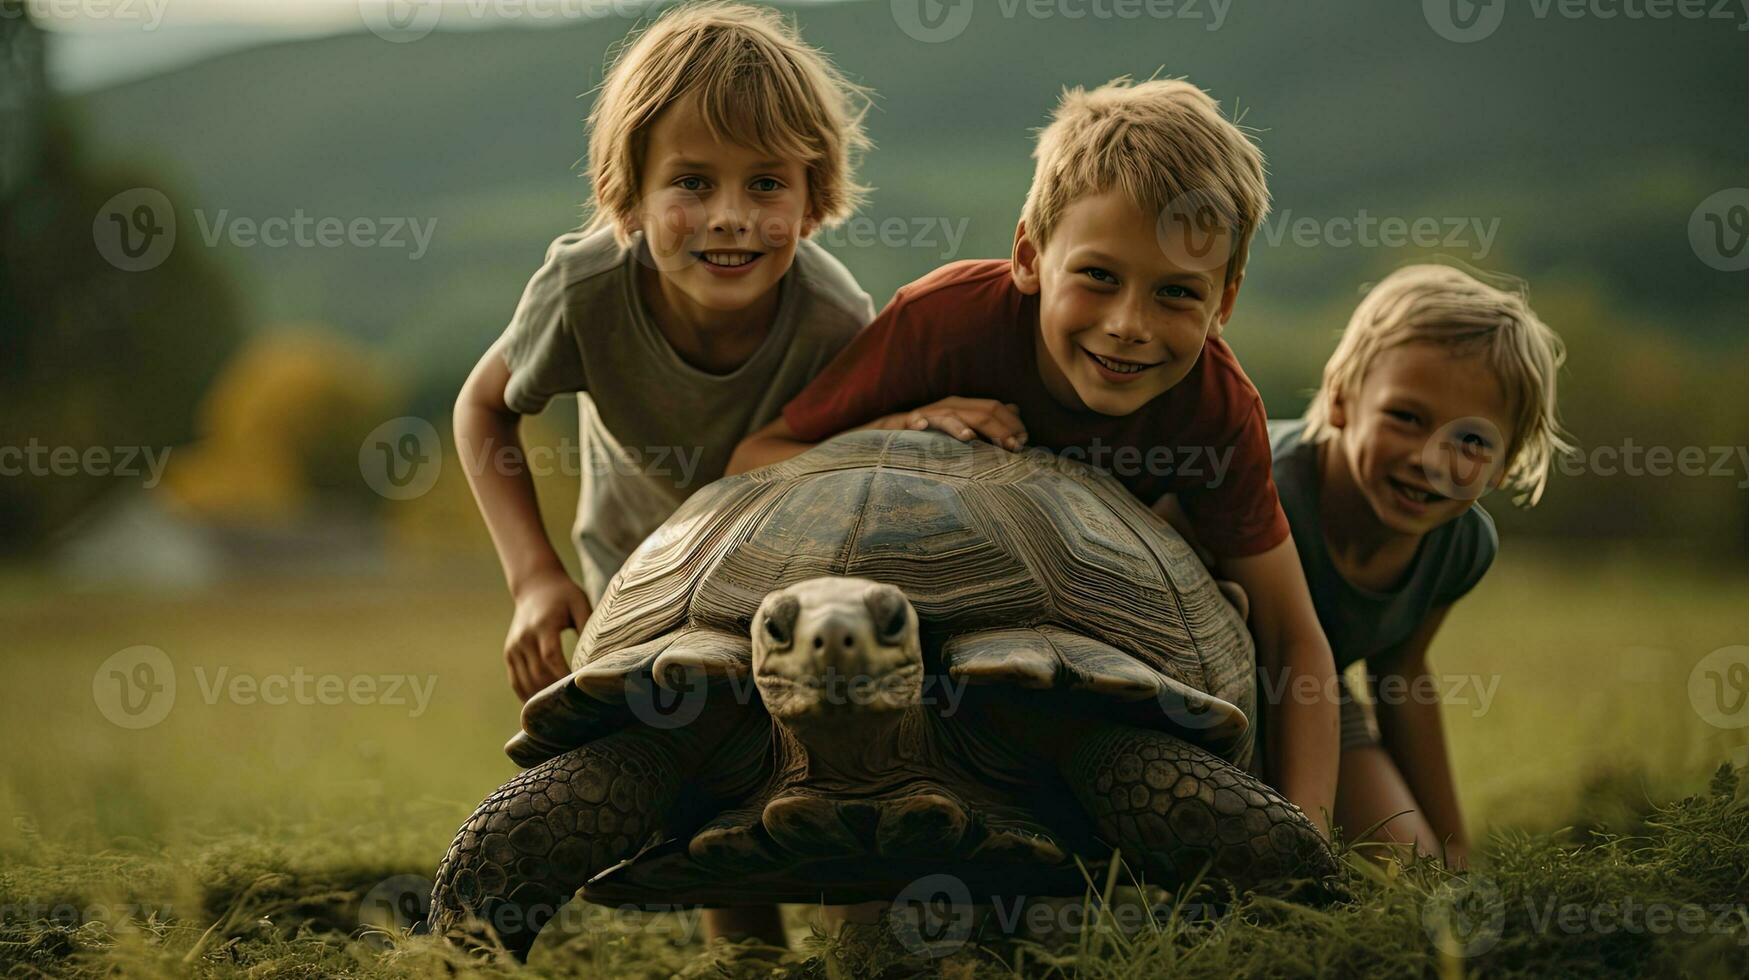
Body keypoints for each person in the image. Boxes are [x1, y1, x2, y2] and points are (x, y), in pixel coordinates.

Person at [730, 76, 1340, 837]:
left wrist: (1307, 831)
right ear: (1027, 255)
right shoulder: (943, 323)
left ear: (1225, 302)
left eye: (1176, 294)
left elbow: (1293, 635)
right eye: (1098, 276)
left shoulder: (1214, 406)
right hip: (896, 658)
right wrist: (905, 420)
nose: (1127, 325)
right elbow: (756, 460)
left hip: (1088, 670)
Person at [452, 1, 875, 947]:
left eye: (765, 183)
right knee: (702, 791)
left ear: (812, 197)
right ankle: (749, 959)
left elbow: (864, 463)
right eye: (691, 181)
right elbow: (484, 408)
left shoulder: (832, 318)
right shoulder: (586, 291)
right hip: (634, 585)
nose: (729, 217)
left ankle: (871, 946)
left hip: (794, 593)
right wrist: (532, 575)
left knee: (848, 786)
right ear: (628, 197)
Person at [1268, 263, 1569, 867]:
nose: (1433, 459)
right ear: (1342, 399)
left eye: (1473, 441)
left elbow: (1400, 674)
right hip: (1190, 682)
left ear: (1506, 464)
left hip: (1313, 701)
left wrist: (1455, 846)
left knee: (1411, 869)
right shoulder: (1262, 487)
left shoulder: (1460, 547)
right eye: (1406, 418)